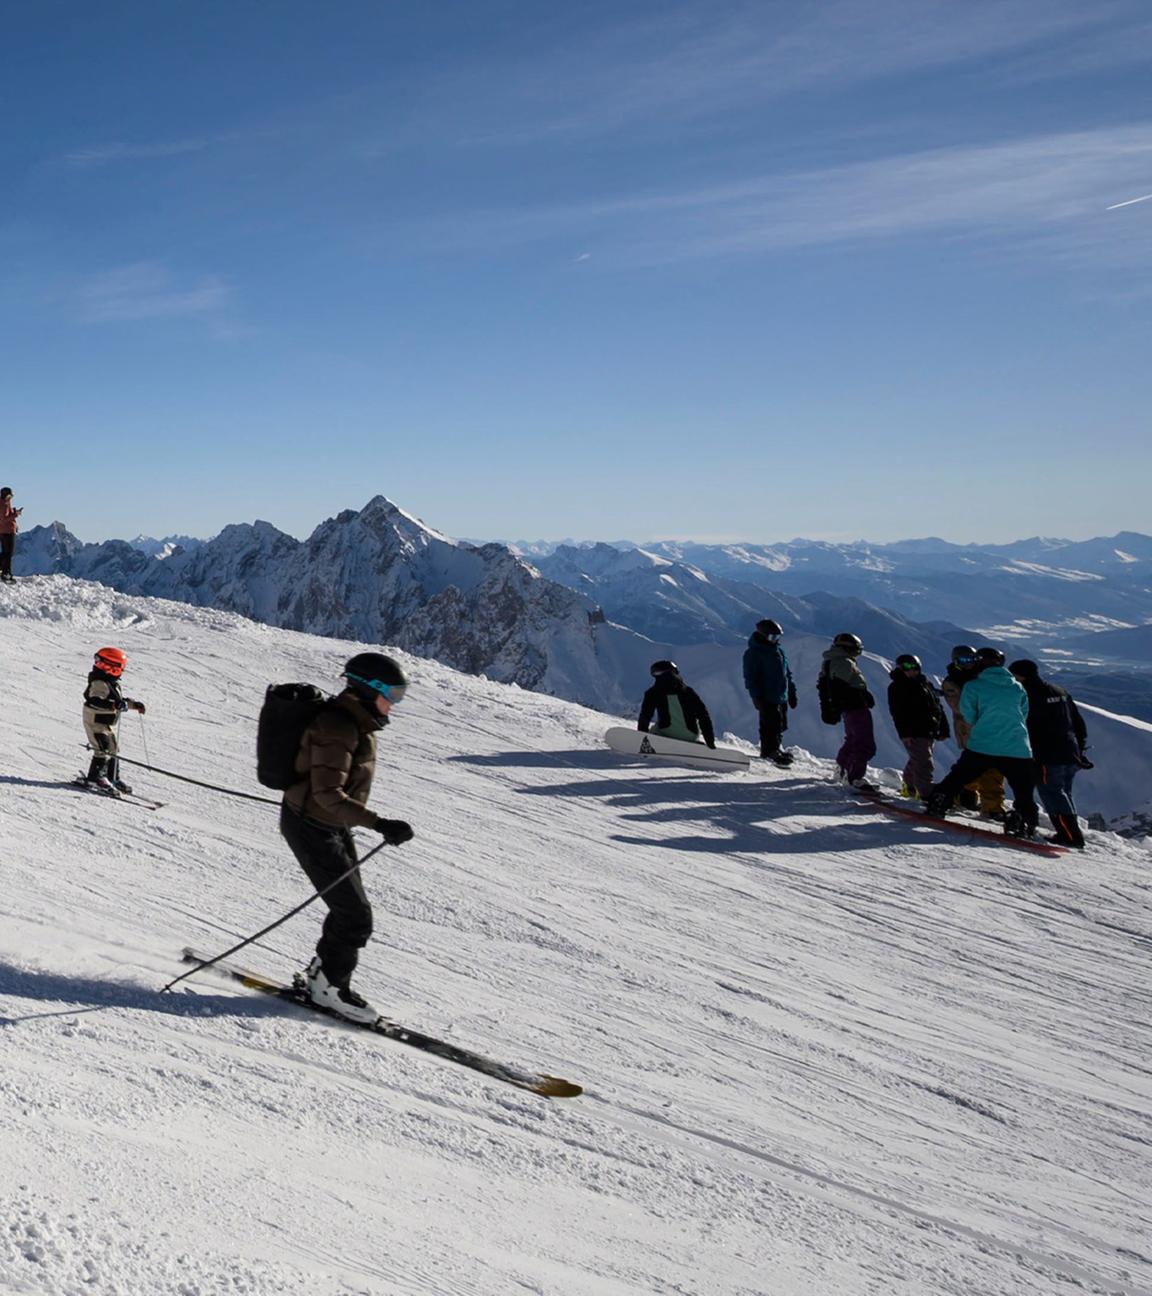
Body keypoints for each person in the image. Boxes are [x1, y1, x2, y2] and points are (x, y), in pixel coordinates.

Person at [281, 652, 415, 1023]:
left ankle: (322, 978)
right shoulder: (338, 726)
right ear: (368, 689)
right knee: (354, 915)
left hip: (329, 823)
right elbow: (327, 794)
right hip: (311, 825)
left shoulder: (355, 722)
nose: (395, 702)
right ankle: (328, 989)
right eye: (393, 693)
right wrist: (379, 823)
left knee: (351, 910)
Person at [926, 648, 1039, 838]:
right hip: (1017, 746)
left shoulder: (974, 686)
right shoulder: (1017, 687)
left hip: (983, 744)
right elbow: (1024, 713)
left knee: (959, 776)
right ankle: (1025, 821)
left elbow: (968, 715)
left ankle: (939, 802)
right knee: (1023, 790)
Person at [1009, 659, 1090, 849]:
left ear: (1021, 675)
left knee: (1052, 793)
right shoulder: (1059, 691)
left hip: (1046, 753)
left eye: (1014, 675)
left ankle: (1070, 836)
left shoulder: (1027, 694)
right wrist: (1081, 747)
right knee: (1064, 793)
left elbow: (1024, 724)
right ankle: (1070, 833)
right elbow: (1077, 721)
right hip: (1070, 750)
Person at [940, 644, 1006, 818]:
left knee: (976, 767)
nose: (969, 663)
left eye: (972, 659)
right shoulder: (953, 681)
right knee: (990, 768)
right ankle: (992, 808)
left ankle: (959, 794)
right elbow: (959, 707)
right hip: (969, 730)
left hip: (984, 729)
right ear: (956, 661)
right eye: (964, 660)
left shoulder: (977, 677)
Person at [82, 647, 146, 794]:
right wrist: (114, 705)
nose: (98, 666)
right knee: (102, 749)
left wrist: (133, 705)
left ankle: (112, 778)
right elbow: (95, 700)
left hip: (104, 722)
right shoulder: (99, 682)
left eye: (101, 663)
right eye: (98, 663)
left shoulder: (111, 682)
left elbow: (118, 700)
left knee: (113, 749)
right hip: (95, 721)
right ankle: (96, 778)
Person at [886, 654, 950, 799]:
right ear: (899, 669)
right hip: (914, 731)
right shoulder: (897, 686)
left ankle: (910, 787)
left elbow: (938, 707)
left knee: (917, 759)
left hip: (928, 730)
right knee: (924, 762)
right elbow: (897, 712)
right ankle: (926, 793)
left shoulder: (924, 684)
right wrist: (904, 733)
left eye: (913, 667)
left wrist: (943, 728)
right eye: (906, 667)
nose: (910, 671)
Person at [820, 632, 877, 789]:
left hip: (850, 708)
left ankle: (843, 770)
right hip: (856, 708)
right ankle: (855, 777)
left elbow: (828, 687)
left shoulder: (832, 661)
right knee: (864, 743)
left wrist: (832, 708)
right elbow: (840, 687)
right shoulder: (843, 662)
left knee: (852, 739)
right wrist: (861, 696)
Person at [742, 619, 798, 766]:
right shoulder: (754, 653)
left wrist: (791, 691)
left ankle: (776, 747)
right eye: (772, 637)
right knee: (769, 723)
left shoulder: (779, 651)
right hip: (766, 695)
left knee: (780, 723)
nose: (775, 640)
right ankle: (769, 750)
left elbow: (786, 673)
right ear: (762, 635)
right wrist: (756, 696)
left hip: (781, 694)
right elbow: (751, 677)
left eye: (777, 637)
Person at [638, 660, 716, 748]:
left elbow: (645, 716)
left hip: (665, 732)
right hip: (690, 735)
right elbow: (703, 716)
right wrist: (710, 742)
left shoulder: (652, 693)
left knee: (655, 728)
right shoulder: (688, 692)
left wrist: (641, 737)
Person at [0, 487, 22, 583]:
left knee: (6, 552)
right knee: (9, 553)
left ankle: (5, 572)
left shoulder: (4, 503)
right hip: (7, 531)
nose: (10, 498)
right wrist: (15, 514)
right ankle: (6, 573)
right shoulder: (4, 504)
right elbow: (4, 519)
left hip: (5, 531)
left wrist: (13, 512)